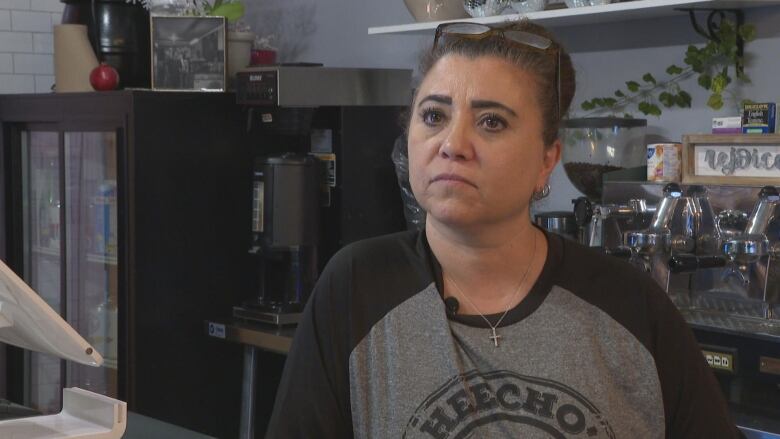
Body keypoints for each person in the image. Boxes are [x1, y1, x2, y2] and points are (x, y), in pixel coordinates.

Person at [266, 20, 741, 438]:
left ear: (547, 160)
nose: (453, 144)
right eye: (433, 115)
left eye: (492, 121)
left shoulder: (630, 304)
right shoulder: (355, 286)